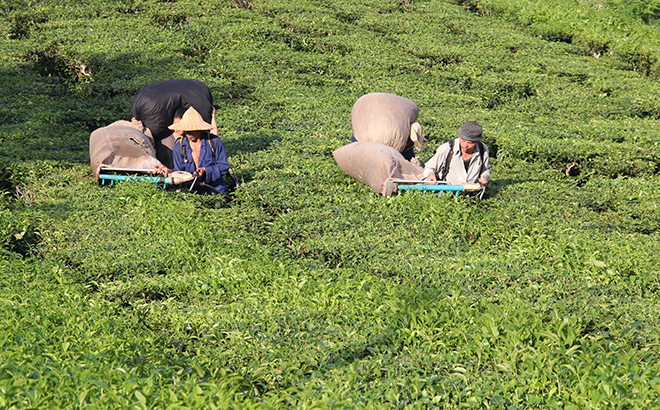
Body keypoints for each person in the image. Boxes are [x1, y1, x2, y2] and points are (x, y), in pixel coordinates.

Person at [153, 107, 230, 195]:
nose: (188, 133)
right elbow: (179, 172)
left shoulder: (214, 141)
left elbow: (223, 166)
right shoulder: (179, 146)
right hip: (190, 191)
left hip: (215, 189)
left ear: (199, 129)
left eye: (191, 130)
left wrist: (206, 170)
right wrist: (167, 171)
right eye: (186, 130)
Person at [423, 121, 491, 186]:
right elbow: (429, 167)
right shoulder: (447, 148)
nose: (465, 145)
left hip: (472, 194)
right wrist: (430, 174)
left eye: (470, 143)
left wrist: (484, 177)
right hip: (448, 192)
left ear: (477, 141)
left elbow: (485, 170)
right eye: (463, 140)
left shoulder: (482, 149)